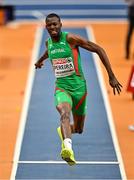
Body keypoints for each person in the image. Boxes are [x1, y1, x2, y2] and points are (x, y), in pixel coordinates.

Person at [35, 13, 122, 166]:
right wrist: (40, 61)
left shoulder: (71, 39)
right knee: (64, 113)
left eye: (55, 24)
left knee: (79, 129)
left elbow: (98, 49)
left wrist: (112, 76)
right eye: (49, 25)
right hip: (62, 88)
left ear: (60, 24)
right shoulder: (48, 43)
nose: (52, 27)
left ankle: (64, 129)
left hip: (80, 89)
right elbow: (49, 52)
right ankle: (68, 148)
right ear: (46, 27)